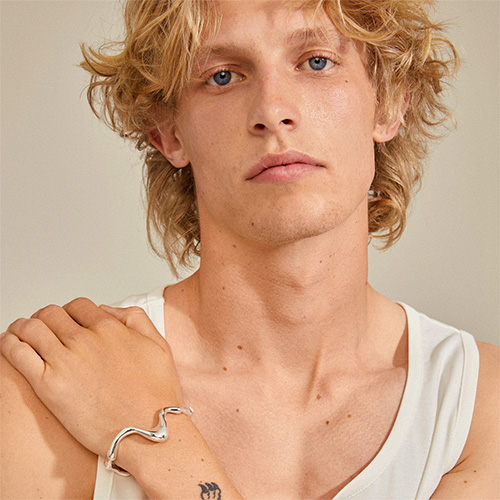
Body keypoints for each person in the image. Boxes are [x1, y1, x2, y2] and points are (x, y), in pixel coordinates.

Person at [1, 0, 498, 499]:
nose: (272, 111)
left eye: (316, 62)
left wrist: (160, 445)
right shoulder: (49, 388)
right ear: (168, 133)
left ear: (388, 102)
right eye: (223, 76)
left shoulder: (480, 407)